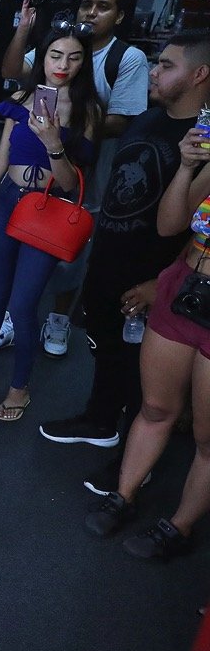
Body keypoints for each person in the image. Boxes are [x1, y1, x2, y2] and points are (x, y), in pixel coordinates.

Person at [37, 34, 210, 487]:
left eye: (166, 65)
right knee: (105, 346)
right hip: (111, 257)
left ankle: (137, 464)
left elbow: (196, 224)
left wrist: (162, 282)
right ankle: (99, 421)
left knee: (144, 377)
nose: (153, 71)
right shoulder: (148, 119)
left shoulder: (202, 140)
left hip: (157, 276)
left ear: (199, 74)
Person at [0, 28, 102, 421]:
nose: (62, 66)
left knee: (23, 302)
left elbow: (72, 183)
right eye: (55, 56)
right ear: (44, 57)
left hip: (49, 209)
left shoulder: (87, 110)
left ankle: (20, 386)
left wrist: (54, 141)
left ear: (84, 63)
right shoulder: (21, 99)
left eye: (73, 58)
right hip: (7, 202)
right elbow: (1, 158)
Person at [82, 111, 210, 560]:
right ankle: (124, 496)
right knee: (156, 406)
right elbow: (170, 224)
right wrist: (189, 166)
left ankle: (180, 526)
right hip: (185, 286)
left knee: (206, 436)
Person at [0, 0, 150, 356]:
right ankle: (13, 313)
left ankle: (59, 318)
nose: (92, 12)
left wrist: (70, 120)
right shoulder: (61, 42)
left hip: (88, 176)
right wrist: (23, 29)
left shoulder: (126, 58)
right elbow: (15, 71)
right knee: (21, 242)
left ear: (119, 16)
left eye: (103, 7)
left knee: (69, 250)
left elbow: (126, 119)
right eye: (87, 5)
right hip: (36, 172)